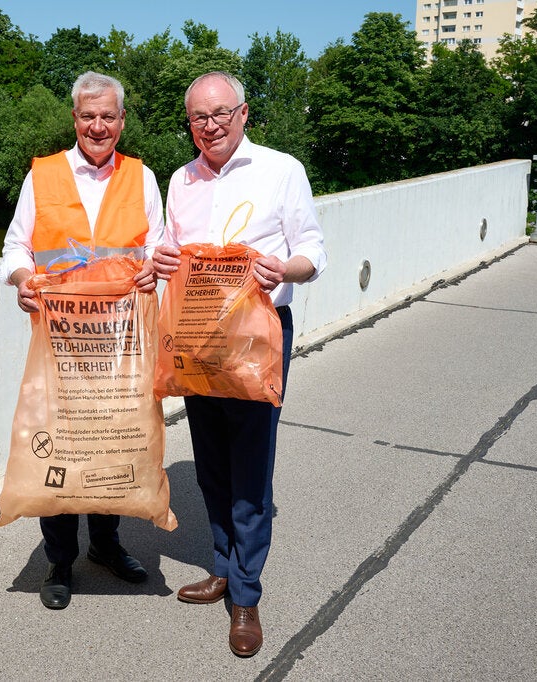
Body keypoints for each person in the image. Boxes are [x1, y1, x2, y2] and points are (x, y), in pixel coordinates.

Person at [152, 71, 326, 656]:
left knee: (250, 470)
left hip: (257, 339)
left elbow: (313, 249)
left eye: (221, 112)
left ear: (244, 113)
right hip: (199, 338)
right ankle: (223, 567)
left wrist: (288, 269)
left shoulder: (282, 169)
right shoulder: (180, 179)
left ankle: (246, 597)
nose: (211, 125)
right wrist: (162, 255)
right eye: (199, 116)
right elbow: (166, 250)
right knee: (211, 466)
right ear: (190, 122)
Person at [1, 71, 163, 610]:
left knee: (113, 446)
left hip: (119, 350)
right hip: (60, 349)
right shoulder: (42, 176)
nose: (98, 125)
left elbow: (159, 250)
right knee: (60, 453)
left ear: (122, 121)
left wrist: (151, 272)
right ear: (75, 118)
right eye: (88, 115)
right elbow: (15, 247)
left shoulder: (142, 178)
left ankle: (107, 545)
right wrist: (24, 282)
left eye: (108, 116)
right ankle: (60, 560)